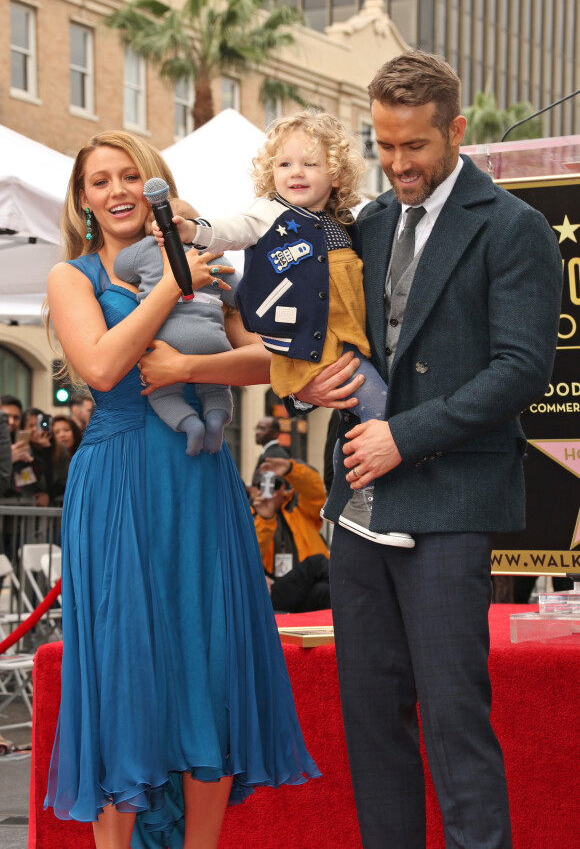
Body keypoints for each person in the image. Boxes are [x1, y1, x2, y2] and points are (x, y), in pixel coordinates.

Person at [290, 51, 563, 848]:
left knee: (453, 721)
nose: (399, 164)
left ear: (456, 130)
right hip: (358, 509)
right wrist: (311, 384)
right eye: (383, 145)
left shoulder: (513, 227)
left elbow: (521, 370)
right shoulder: (367, 223)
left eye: (414, 146)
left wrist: (402, 437)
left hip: (449, 502)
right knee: (373, 727)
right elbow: (332, 338)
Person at [43, 130, 319, 849]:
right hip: (120, 483)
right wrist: (172, 279)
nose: (117, 190)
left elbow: (270, 363)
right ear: (83, 200)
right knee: (123, 677)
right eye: (100, 181)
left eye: (130, 175)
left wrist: (190, 371)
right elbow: (101, 369)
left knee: (210, 666)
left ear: (155, 182)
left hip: (200, 483)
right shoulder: (71, 278)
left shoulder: (212, 266)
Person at [155, 109, 412, 549]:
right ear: (269, 171)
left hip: (348, 342)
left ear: (335, 172)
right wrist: (194, 230)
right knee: (379, 406)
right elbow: (230, 229)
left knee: (357, 416)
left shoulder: (347, 221)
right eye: (285, 164)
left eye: (310, 164)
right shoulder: (268, 212)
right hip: (312, 345)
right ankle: (373, 504)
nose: (296, 173)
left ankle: (347, 495)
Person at [114, 198, 239, 456]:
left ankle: (190, 425)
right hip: (212, 338)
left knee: (162, 392)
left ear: (155, 227)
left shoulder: (147, 247)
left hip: (168, 340)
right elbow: (240, 295)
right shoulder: (213, 254)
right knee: (217, 386)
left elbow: (120, 267)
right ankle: (216, 420)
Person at [250, 455, 330, 612]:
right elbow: (250, 557)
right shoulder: (247, 517)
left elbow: (316, 494)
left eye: (275, 484)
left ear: (283, 489)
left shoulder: (299, 509)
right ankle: (353, 585)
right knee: (316, 562)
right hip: (272, 592)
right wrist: (265, 518)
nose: (268, 491)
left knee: (325, 591)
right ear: (252, 489)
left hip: (304, 591)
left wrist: (291, 470)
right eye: (261, 485)